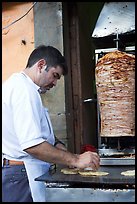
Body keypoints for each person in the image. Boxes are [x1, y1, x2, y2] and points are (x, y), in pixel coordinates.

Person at [2, 45, 100, 202]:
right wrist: (75, 159)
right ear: (41, 65)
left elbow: (38, 131)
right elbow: (32, 144)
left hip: (20, 173)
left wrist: (58, 145)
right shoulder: (24, 90)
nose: (55, 83)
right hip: (21, 175)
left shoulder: (24, 87)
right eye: (55, 75)